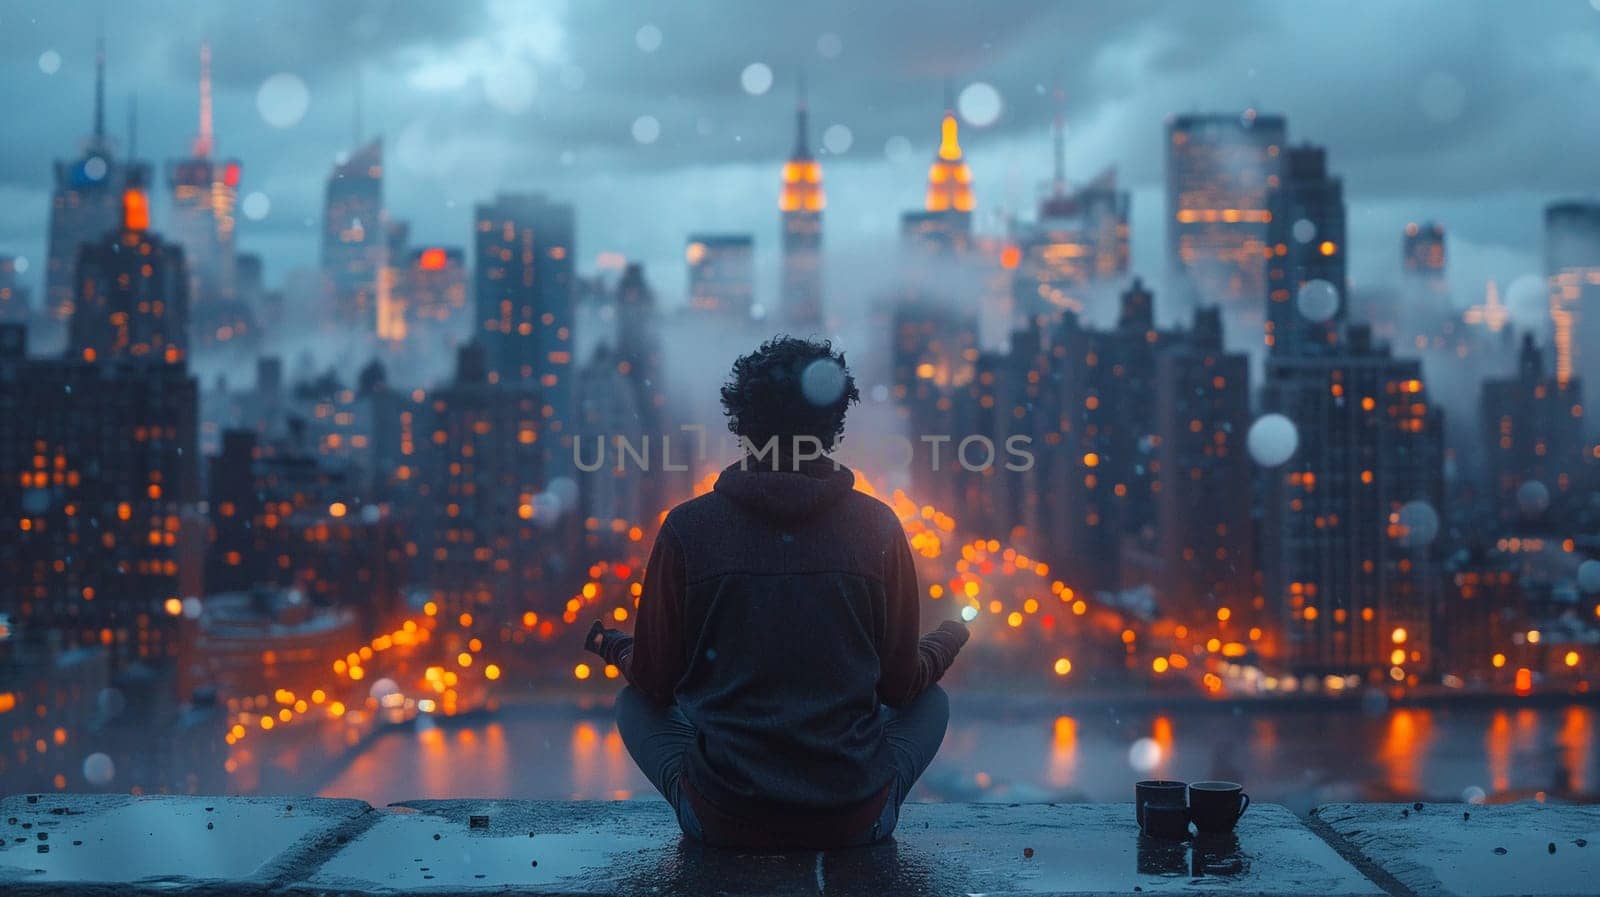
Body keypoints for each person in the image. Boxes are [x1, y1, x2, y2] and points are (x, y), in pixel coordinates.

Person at [584, 336, 969, 849]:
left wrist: (616, 646)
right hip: (854, 823)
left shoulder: (688, 529)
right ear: (834, 426)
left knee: (633, 704)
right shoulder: (878, 527)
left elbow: (656, 682)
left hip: (725, 823)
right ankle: (860, 803)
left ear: (741, 423)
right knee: (932, 702)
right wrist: (948, 638)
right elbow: (900, 689)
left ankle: (726, 800)